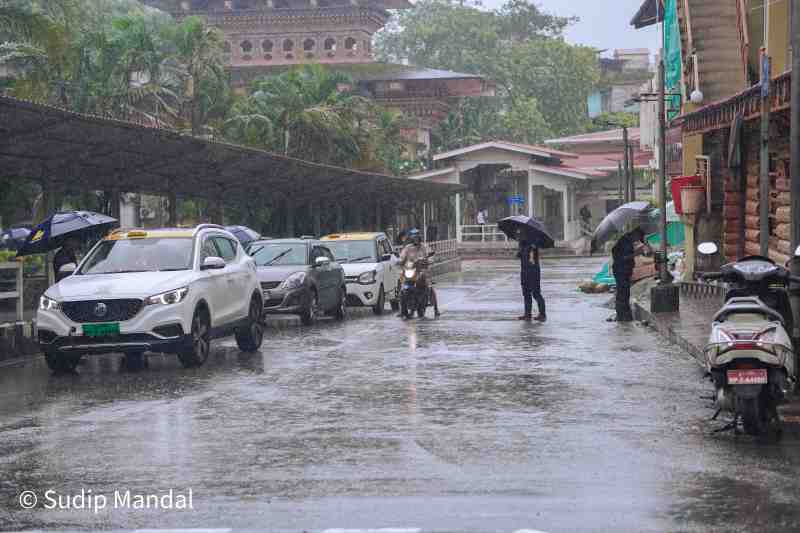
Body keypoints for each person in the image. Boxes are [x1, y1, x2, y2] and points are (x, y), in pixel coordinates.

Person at [611, 227, 651, 322]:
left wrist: (644, 245)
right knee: (622, 293)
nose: (637, 241)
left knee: (624, 293)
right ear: (635, 234)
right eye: (638, 238)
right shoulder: (625, 242)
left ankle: (624, 316)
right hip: (621, 270)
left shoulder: (627, 241)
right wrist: (637, 253)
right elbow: (624, 258)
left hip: (624, 270)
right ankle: (623, 316)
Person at [399, 228, 440, 318]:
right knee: (402, 288)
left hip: (423, 270)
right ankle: (402, 310)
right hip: (411, 270)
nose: (416, 240)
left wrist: (429, 260)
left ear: (419, 238)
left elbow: (431, 256)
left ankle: (436, 309)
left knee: (429, 286)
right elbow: (402, 257)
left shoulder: (424, 247)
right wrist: (400, 260)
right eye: (414, 238)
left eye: (417, 238)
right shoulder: (408, 248)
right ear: (411, 239)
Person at [517, 229, 546, 322]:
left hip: (533, 271)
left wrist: (533, 246)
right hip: (524, 271)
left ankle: (542, 314)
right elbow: (519, 255)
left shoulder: (534, 242)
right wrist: (519, 251)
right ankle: (527, 314)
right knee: (526, 293)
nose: (519, 235)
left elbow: (534, 254)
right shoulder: (522, 244)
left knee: (536, 293)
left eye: (521, 233)